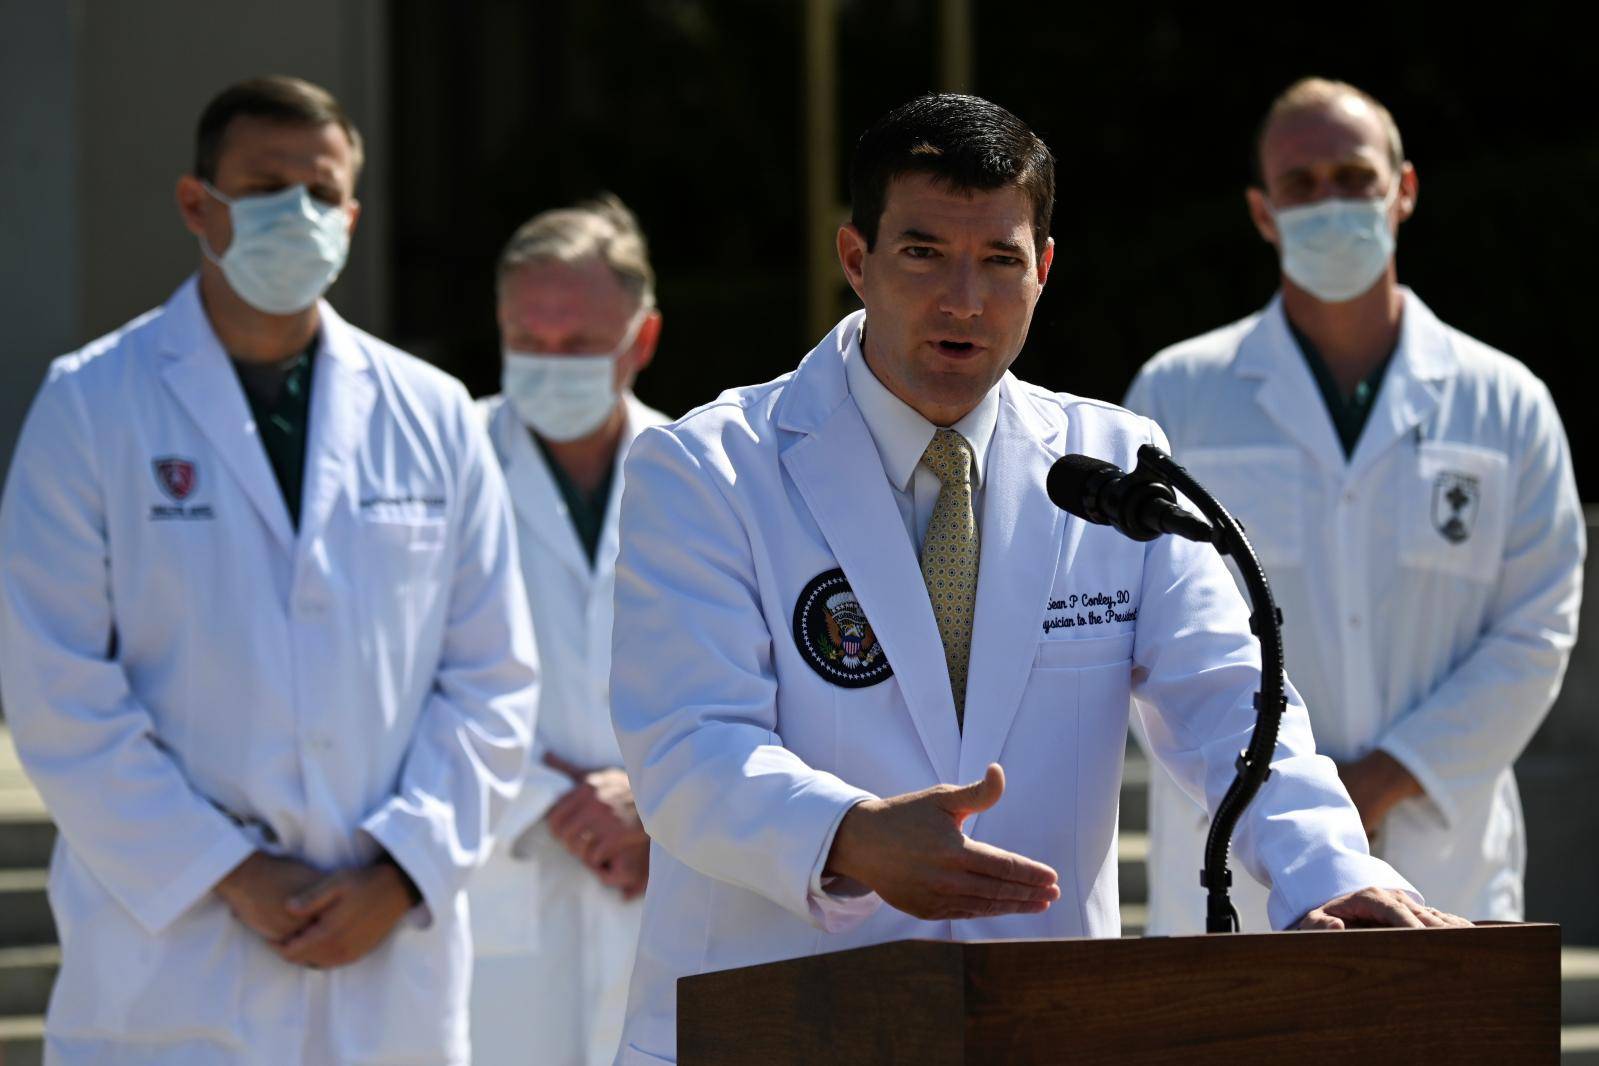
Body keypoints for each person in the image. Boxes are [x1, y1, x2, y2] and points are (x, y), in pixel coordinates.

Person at [607, 93, 1466, 1065]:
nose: (963, 300)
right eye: (924, 253)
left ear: (1045, 268)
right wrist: (849, 835)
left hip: (1039, 1023)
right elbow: (687, 749)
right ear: (856, 261)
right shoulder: (712, 468)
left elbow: (1231, 697)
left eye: (1000, 261)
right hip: (776, 1024)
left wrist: (1325, 869)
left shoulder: (1114, 465)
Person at [0, 76, 538, 1064]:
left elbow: (493, 679)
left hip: (387, 960)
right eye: (265, 184)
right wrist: (229, 869)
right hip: (174, 959)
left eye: (321, 192)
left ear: (353, 215)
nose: (299, 213)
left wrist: (403, 870)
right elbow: (55, 688)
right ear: (196, 203)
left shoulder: (433, 413)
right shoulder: (92, 405)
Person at [1130, 77, 1585, 935]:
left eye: (1352, 176)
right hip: (1240, 874)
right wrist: (1298, 797)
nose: (1328, 201)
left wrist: (1385, 777)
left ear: (1402, 189)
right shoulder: (1176, 395)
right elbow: (1144, 630)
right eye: (1300, 185)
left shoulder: (1506, 402)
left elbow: (1534, 631)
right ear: (1262, 213)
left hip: (1445, 862)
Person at [469, 195, 667, 1066]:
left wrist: (656, 803)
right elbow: (376, 678)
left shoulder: (705, 476)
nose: (550, 364)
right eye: (527, 342)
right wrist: (553, 801)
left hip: (664, 879)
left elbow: (765, 678)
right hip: (492, 873)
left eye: (579, 345)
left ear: (641, 340)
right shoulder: (439, 465)